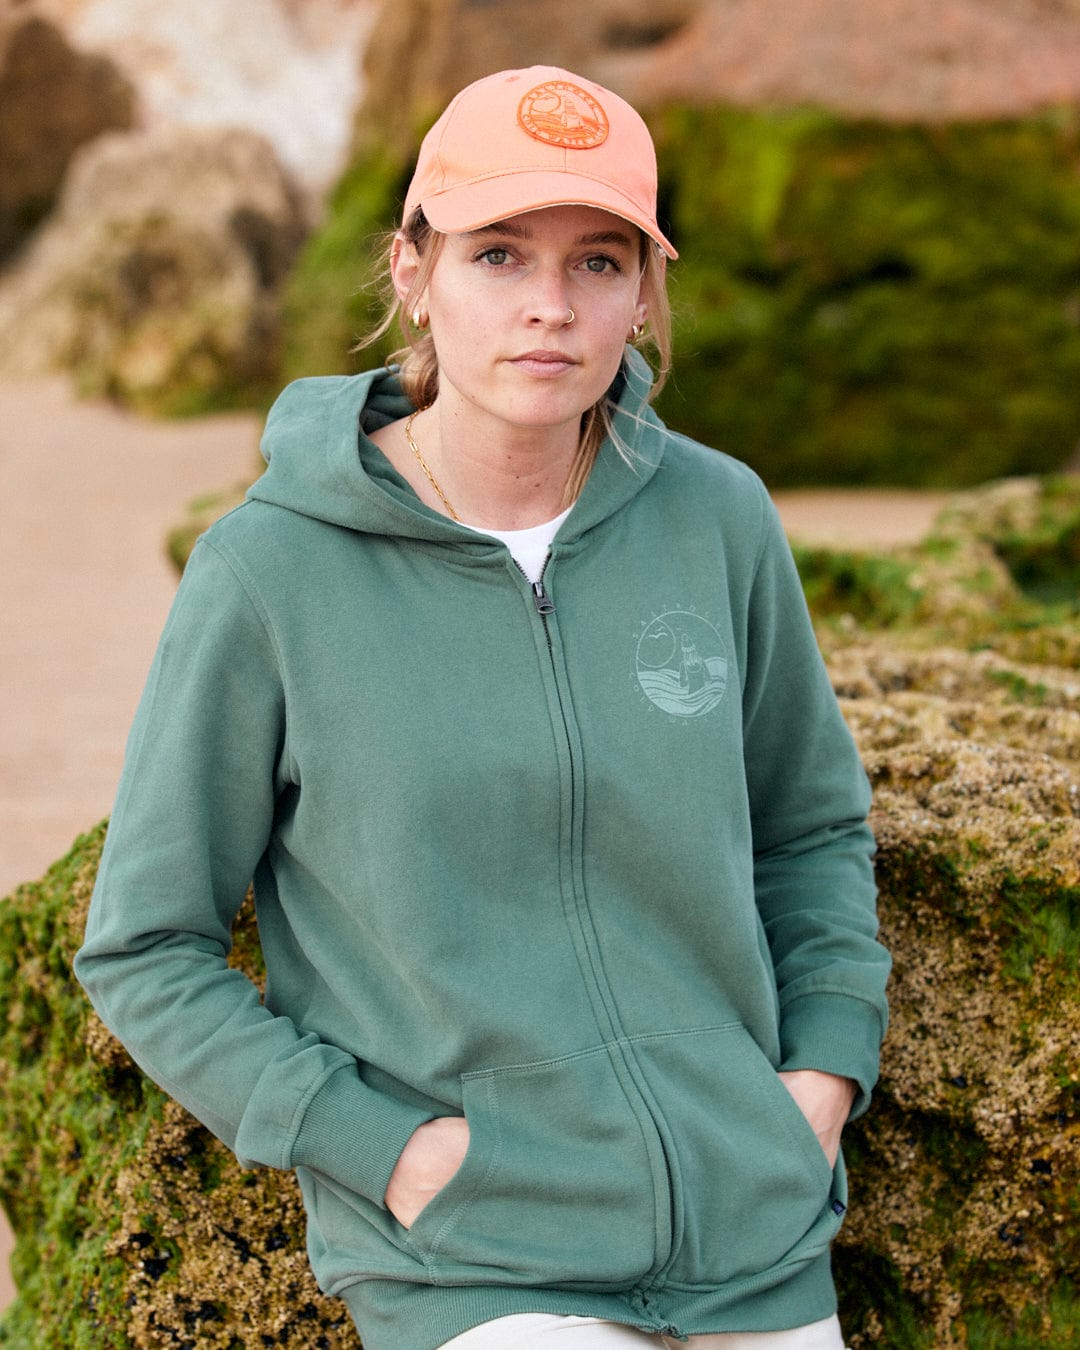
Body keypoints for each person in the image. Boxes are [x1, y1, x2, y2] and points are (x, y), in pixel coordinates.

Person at [75, 65, 890, 1350]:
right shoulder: (271, 571)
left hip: (755, 1222)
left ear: (645, 293)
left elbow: (811, 831)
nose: (550, 309)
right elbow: (144, 944)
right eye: (499, 254)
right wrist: (388, 1151)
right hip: (476, 1258)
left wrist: (821, 1082)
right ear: (413, 267)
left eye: (601, 262)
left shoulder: (718, 519)